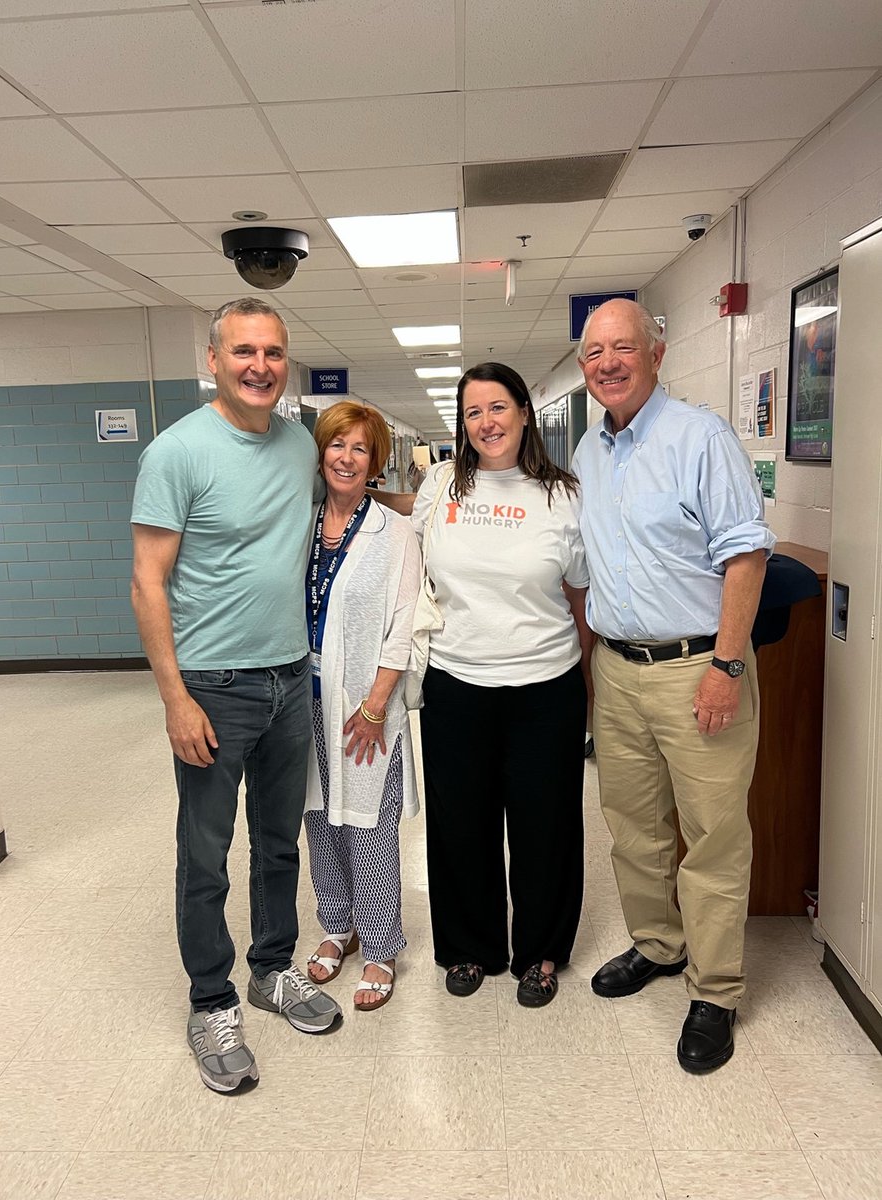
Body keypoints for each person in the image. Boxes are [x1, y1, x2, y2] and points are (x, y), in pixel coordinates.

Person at [130, 297, 342, 1095]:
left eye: (275, 352)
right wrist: (174, 699)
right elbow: (147, 583)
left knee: (280, 843)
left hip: (292, 677)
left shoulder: (297, 445)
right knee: (206, 856)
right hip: (213, 688)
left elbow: (345, 506)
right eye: (245, 351)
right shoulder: (176, 452)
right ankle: (211, 1000)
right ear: (214, 361)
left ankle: (272, 970)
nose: (261, 366)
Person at [571, 298, 775, 1072]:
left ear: (656, 354)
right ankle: (657, 945)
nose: (608, 363)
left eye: (623, 347)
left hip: (699, 665)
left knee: (714, 835)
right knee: (633, 826)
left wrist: (726, 666)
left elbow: (745, 557)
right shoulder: (591, 453)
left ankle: (715, 990)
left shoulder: (701, 436)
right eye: (594, 353)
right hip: (618, 669)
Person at [414, 362, 589, 1008]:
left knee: (546, 825)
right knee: (462, 820)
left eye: (497, 408)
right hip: (457, 682)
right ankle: (467, 946)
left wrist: (587, 681)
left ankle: (540, 951)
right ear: (462, 426)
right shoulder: (440, 487)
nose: (486, 423)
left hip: (546, 684)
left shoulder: (562, 494)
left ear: (523, 412)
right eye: (472, 413)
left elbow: (579, 593)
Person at [302, 402, 421, 1011]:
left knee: (369, 823)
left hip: (365, 700)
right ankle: (336, 925)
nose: (347, 458)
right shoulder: (300, 520)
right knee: (319, 817)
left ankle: (379, 945)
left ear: (376, 461)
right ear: (320, 453)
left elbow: (404, 625)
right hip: (303, 696)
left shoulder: (394, 532)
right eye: (337, 445)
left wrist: (377, 704)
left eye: (361, 449)